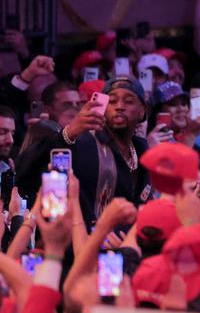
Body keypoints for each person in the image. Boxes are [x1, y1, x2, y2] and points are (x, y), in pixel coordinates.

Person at [19, 77, 151, 224]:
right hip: (83, 240)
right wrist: (69, 133)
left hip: (129, 241)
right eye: (112, 101)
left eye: (129, 101)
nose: (119, 106)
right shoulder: (83, 142)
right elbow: (25, 170)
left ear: (142, 111)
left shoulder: (144, 150)